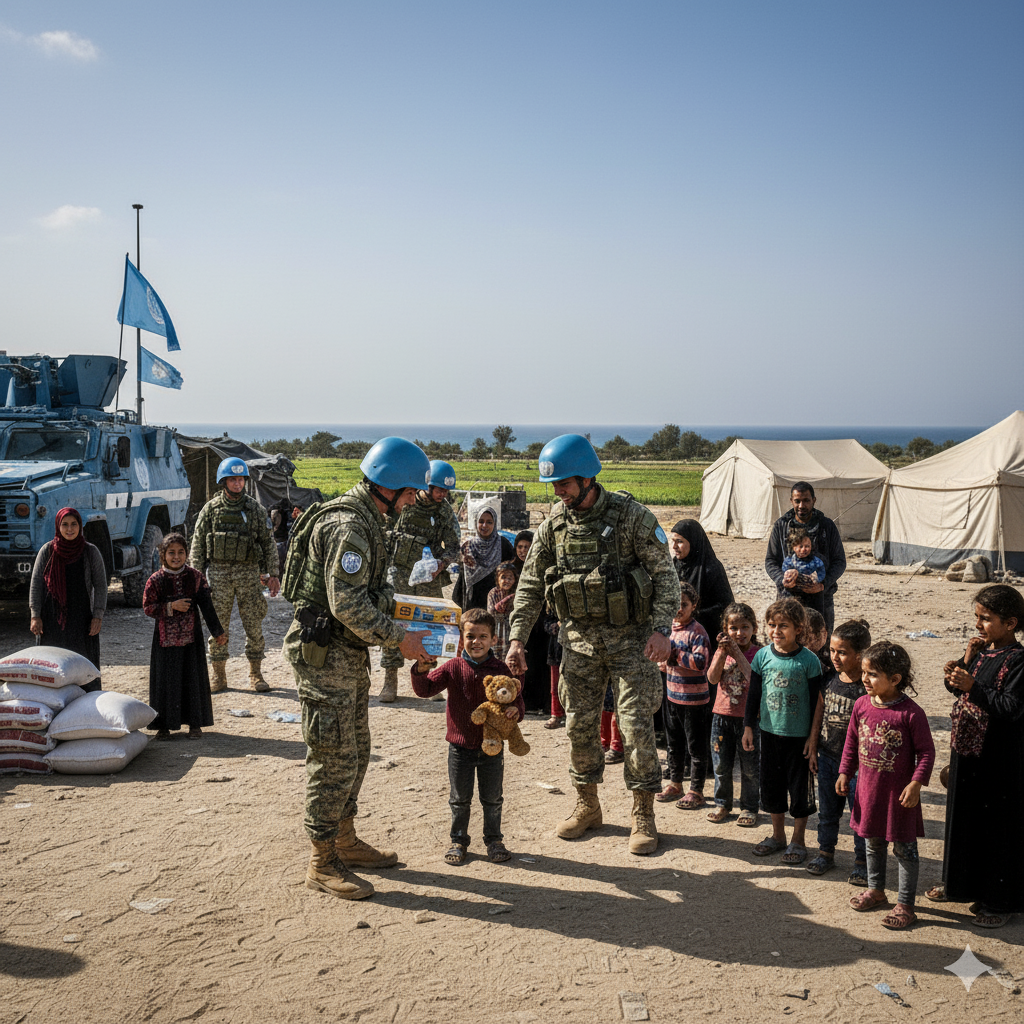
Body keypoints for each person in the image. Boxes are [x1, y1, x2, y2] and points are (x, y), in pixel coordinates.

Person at [507, 434, 679, 856]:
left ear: (587, 477)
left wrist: (661, 629)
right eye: (555, 486)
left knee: (637, 729)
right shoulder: (554, 527)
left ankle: (643, 815)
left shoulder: (633, 518)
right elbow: (529, 586)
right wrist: (515, 638)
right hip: (579, 646)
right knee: (579, 728)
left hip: (633, 645)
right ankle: (588, 805)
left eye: (564, 483)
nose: (558, 493)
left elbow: (666, 577)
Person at [282, 436, 431, 901]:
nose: (411, 500)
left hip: (343, 656)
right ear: (385, 485)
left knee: (357, 751)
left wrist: (404, 611)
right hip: (325, 657)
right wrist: (398, 638)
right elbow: (346, 602)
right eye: (408, 491)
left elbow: (364, 594)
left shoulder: (367, 519)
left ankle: (344, 838)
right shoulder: (350, 527)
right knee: (333, 758)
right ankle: (322, 861)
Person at [931, 584, 1024, 928]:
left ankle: (1000, 902)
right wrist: (962, 666)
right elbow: (958, 687)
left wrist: (974, 687)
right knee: (965, 822)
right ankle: (961, 887)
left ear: (1011, 622)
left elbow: (1010, 707)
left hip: (997, 761)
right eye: (977, 617)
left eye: (986, 619)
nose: (978, 625)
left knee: (997, 829)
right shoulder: (984, 651)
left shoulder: (1018, 661)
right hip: (968, 754)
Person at [410, 607, 525, 865]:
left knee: (492, 798)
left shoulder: (500, 669)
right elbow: (426, 689)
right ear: (461, 638)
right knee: (459, 799)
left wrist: (515, 712)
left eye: (483, 636)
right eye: (471, 636)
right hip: (459, 747)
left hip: (492, 748)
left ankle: (494, 840)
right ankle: (458, 841)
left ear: (494, 640)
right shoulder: (453, 666)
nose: (477, 642)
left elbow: (518, 701)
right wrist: (420, 669)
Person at [840, 642, 934, 931]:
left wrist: (917, 783)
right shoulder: (861, 705)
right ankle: (876, 890)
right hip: (869, 792)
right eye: (864, 673)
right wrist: (845, 771)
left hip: (900, 797)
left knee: (905, 850)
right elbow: (852, 742)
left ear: (895, 679)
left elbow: (927, 752)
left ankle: (906, 904)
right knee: (873, 844)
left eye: (872, 674)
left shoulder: (911, 714)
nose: (865, 679)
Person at [190, 458, 280, 694]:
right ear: (224, 482)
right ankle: (219, 676)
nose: (237, 483)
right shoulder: (210, 510)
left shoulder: (256, 510)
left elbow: (268, 545)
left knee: (253, 625)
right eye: (233, 479)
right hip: (218, 573)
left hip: (248, 573)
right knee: (217, 626)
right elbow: (198, 546)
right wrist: (197, 578)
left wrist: (274, 574)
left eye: (240, 479)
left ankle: (255, 674)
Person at [743, 597, 822, 864]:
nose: (776, 631)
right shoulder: (762, 657)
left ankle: (798, 840)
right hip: (769, 734)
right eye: (772, 625)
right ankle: (777, 836)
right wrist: (748, 728)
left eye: (783, 625)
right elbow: (753, 697)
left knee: (799, 791)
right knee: (772, 788)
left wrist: (813, 739)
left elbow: (815, 705)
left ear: (799, 628)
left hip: (799, 740)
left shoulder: (809, 661)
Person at [378, 460, 462, 702]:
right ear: (427, 485)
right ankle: (390, 681)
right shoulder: (405, 501)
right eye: (439, 489)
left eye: (446, 491)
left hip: (429, 576)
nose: (443, 494)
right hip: (399, 572)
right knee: (393, 621)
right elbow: (383, 530)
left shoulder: (444, 511)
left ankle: (430, 677)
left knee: (433, 624)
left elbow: (454, 547)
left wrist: (441, 564)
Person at [806, 619, 871, 882]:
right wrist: (812, 745)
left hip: (858, 766)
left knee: (859, 816)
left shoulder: (868, 686)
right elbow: (819, 711)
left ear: (860, 654)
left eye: (842, 652)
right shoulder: (829, 678)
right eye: (833, 651)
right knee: (828, 811)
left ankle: (862, 862)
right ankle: (825, 853)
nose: (835, 657)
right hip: (828, 757)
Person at [143, 533, 227, 740]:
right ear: (163, 555)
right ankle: (163, 727)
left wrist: (218, 632)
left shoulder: (195, 577)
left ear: (187, 554)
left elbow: (207, 606)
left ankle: (195, 725)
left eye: (181, 552)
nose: (176, 557)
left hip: (191, 639)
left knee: (193, 679)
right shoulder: (155, 580)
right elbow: (148, 607)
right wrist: (170, 606)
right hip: (165, 641)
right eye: (171, 552)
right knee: (165, 681)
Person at [29, 507, 107, 691]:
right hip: (51, 620)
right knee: (50, 666)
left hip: (81, 621)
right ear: (58, 526)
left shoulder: (90, 552)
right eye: (65, 524)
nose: (69, 529)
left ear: (80, 526)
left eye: (74, 524)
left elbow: (101, 585)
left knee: (83, 667)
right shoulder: (47, 551)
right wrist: (35, 615)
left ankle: (86, 710)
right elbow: (36, 585)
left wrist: (98, 615)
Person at [705, 602, 761, 827]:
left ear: (754, 628)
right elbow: (712, 678)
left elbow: (753, 678)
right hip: (721, 716)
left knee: (749, 767)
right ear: (725, 630)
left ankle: (749, 806)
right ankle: (723, 803)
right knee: (721, 764)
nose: (739, 633)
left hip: (748, 719)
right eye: (734, 628)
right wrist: (721, 652)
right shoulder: (722, 651)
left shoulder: (759, 653)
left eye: (745, 627)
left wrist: (737, 652)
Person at [764, 483, 847, 633]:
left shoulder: (826, 526)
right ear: (791, 501)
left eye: (806, 500)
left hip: (821, 597)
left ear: (814, 500)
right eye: (797, 501)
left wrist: (823, 584)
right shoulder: (781, 526)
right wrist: (782, 580)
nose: (801, 505)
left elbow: (839, 561)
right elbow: (771, 560)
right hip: (788, 598)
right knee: (788, 645)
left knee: (820, 644)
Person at [656, 583, 710, 809]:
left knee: (695, 747)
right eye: (675, 604)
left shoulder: (697, 632)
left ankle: (696, 790)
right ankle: (675, 784)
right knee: (674, 744)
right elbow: (664, 663)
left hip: (694, 701)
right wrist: (662, 659)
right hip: (673, 697)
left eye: (684, 604)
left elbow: (700, 663)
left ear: (693, 606)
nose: (679, 609)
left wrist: (674, 653)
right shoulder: (668, 629)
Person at [669, 520, 734, 654]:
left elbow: (726, 605)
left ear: (693, 542)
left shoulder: (711, 568)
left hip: (704, 636)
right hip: (676, 634)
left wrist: (695, 615)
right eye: (673, 541)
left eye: (679, 541)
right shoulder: (673, 566)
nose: (674, 546)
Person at [511, 530, 550, 714]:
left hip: (541, 625)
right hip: (521, 625)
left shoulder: (541, 567)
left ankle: (542, 703)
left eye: (527, 547)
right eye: (520, 546)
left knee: (541, 664)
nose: (523, 551)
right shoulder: (510, 569)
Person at [453, 506, 514, 611]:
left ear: (494, 524)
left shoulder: (503, 545)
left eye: (489, 522)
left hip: (497, 605)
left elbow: (513, 573)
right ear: (476, 523)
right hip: (472, 604)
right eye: (481, 521)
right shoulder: (468, 547)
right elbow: (462, 580)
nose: (484, 525)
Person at [780, 528, 826, 618]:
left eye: (807, 546)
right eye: (800, 546)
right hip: (794, 594)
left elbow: (821, 571)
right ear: (793, 547)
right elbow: (785, 572)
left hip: (812, 595)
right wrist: (788, 576)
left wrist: (817, 578)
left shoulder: (815, 560)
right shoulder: (789, 561)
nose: (804, 549)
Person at [486, 561, 518, 664]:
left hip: (511, 632)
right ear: (498, 579)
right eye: (503, 577)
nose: (506, 581)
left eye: (510, 578)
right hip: (496, 631)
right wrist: (507, 599)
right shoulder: (493, 593)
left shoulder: (517, 594)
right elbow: (492, 612)